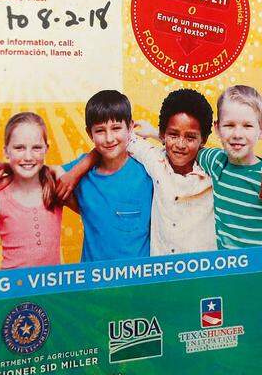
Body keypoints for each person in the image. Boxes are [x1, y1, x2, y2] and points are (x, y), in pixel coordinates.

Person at [61, 89, 214, 255]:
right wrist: (76, 171)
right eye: (173, 135)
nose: (181, 144)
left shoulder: (215, 170)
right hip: (160, 274)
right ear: (164, 134)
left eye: (190, 138)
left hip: (203, 272)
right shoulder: (154, 161)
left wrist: (157, 135)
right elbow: (115, 143)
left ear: (203, 139)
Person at [61, 90, 153, 261]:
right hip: (93, 283)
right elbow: (43, 180)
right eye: (100, 131)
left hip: (138, 283)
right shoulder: (81, 171)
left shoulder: (147, 170)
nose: (109, 138)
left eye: (116, 128)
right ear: (90, 134)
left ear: (130, 127)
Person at [0, 112, 68, 268]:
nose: (28, 156)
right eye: (19, 148)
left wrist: (56, 169)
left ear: (46, 149)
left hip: (52, 291)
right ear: (6, 151)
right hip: (13, 291)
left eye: (36, 148)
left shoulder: (55, 189)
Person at [199, 85, 262, 249]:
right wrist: (155, 134)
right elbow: (187, 149)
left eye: (248, 126)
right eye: (229, 125)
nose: (237, 134)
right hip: (227, 268)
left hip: (259, 269)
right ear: (217, 128)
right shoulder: (216, 161)